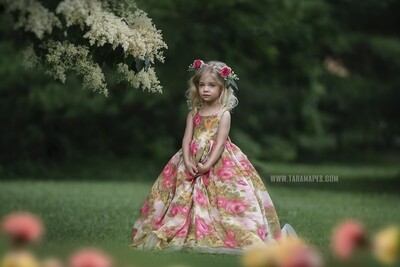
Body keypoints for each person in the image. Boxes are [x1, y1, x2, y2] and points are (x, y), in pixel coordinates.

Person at [130, 59, 294, 254]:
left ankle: (227, 230)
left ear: (222, 88)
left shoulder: (224, 114)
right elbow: (186, 139)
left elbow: (220, 143)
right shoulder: (193, 113)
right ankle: (186, 228)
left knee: (226, 198)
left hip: (218, 163)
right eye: (201, 85)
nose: (205, 89)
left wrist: (207, 165)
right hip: (189, 161)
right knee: (181, 197)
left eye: (212, 85)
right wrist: (189, 161)